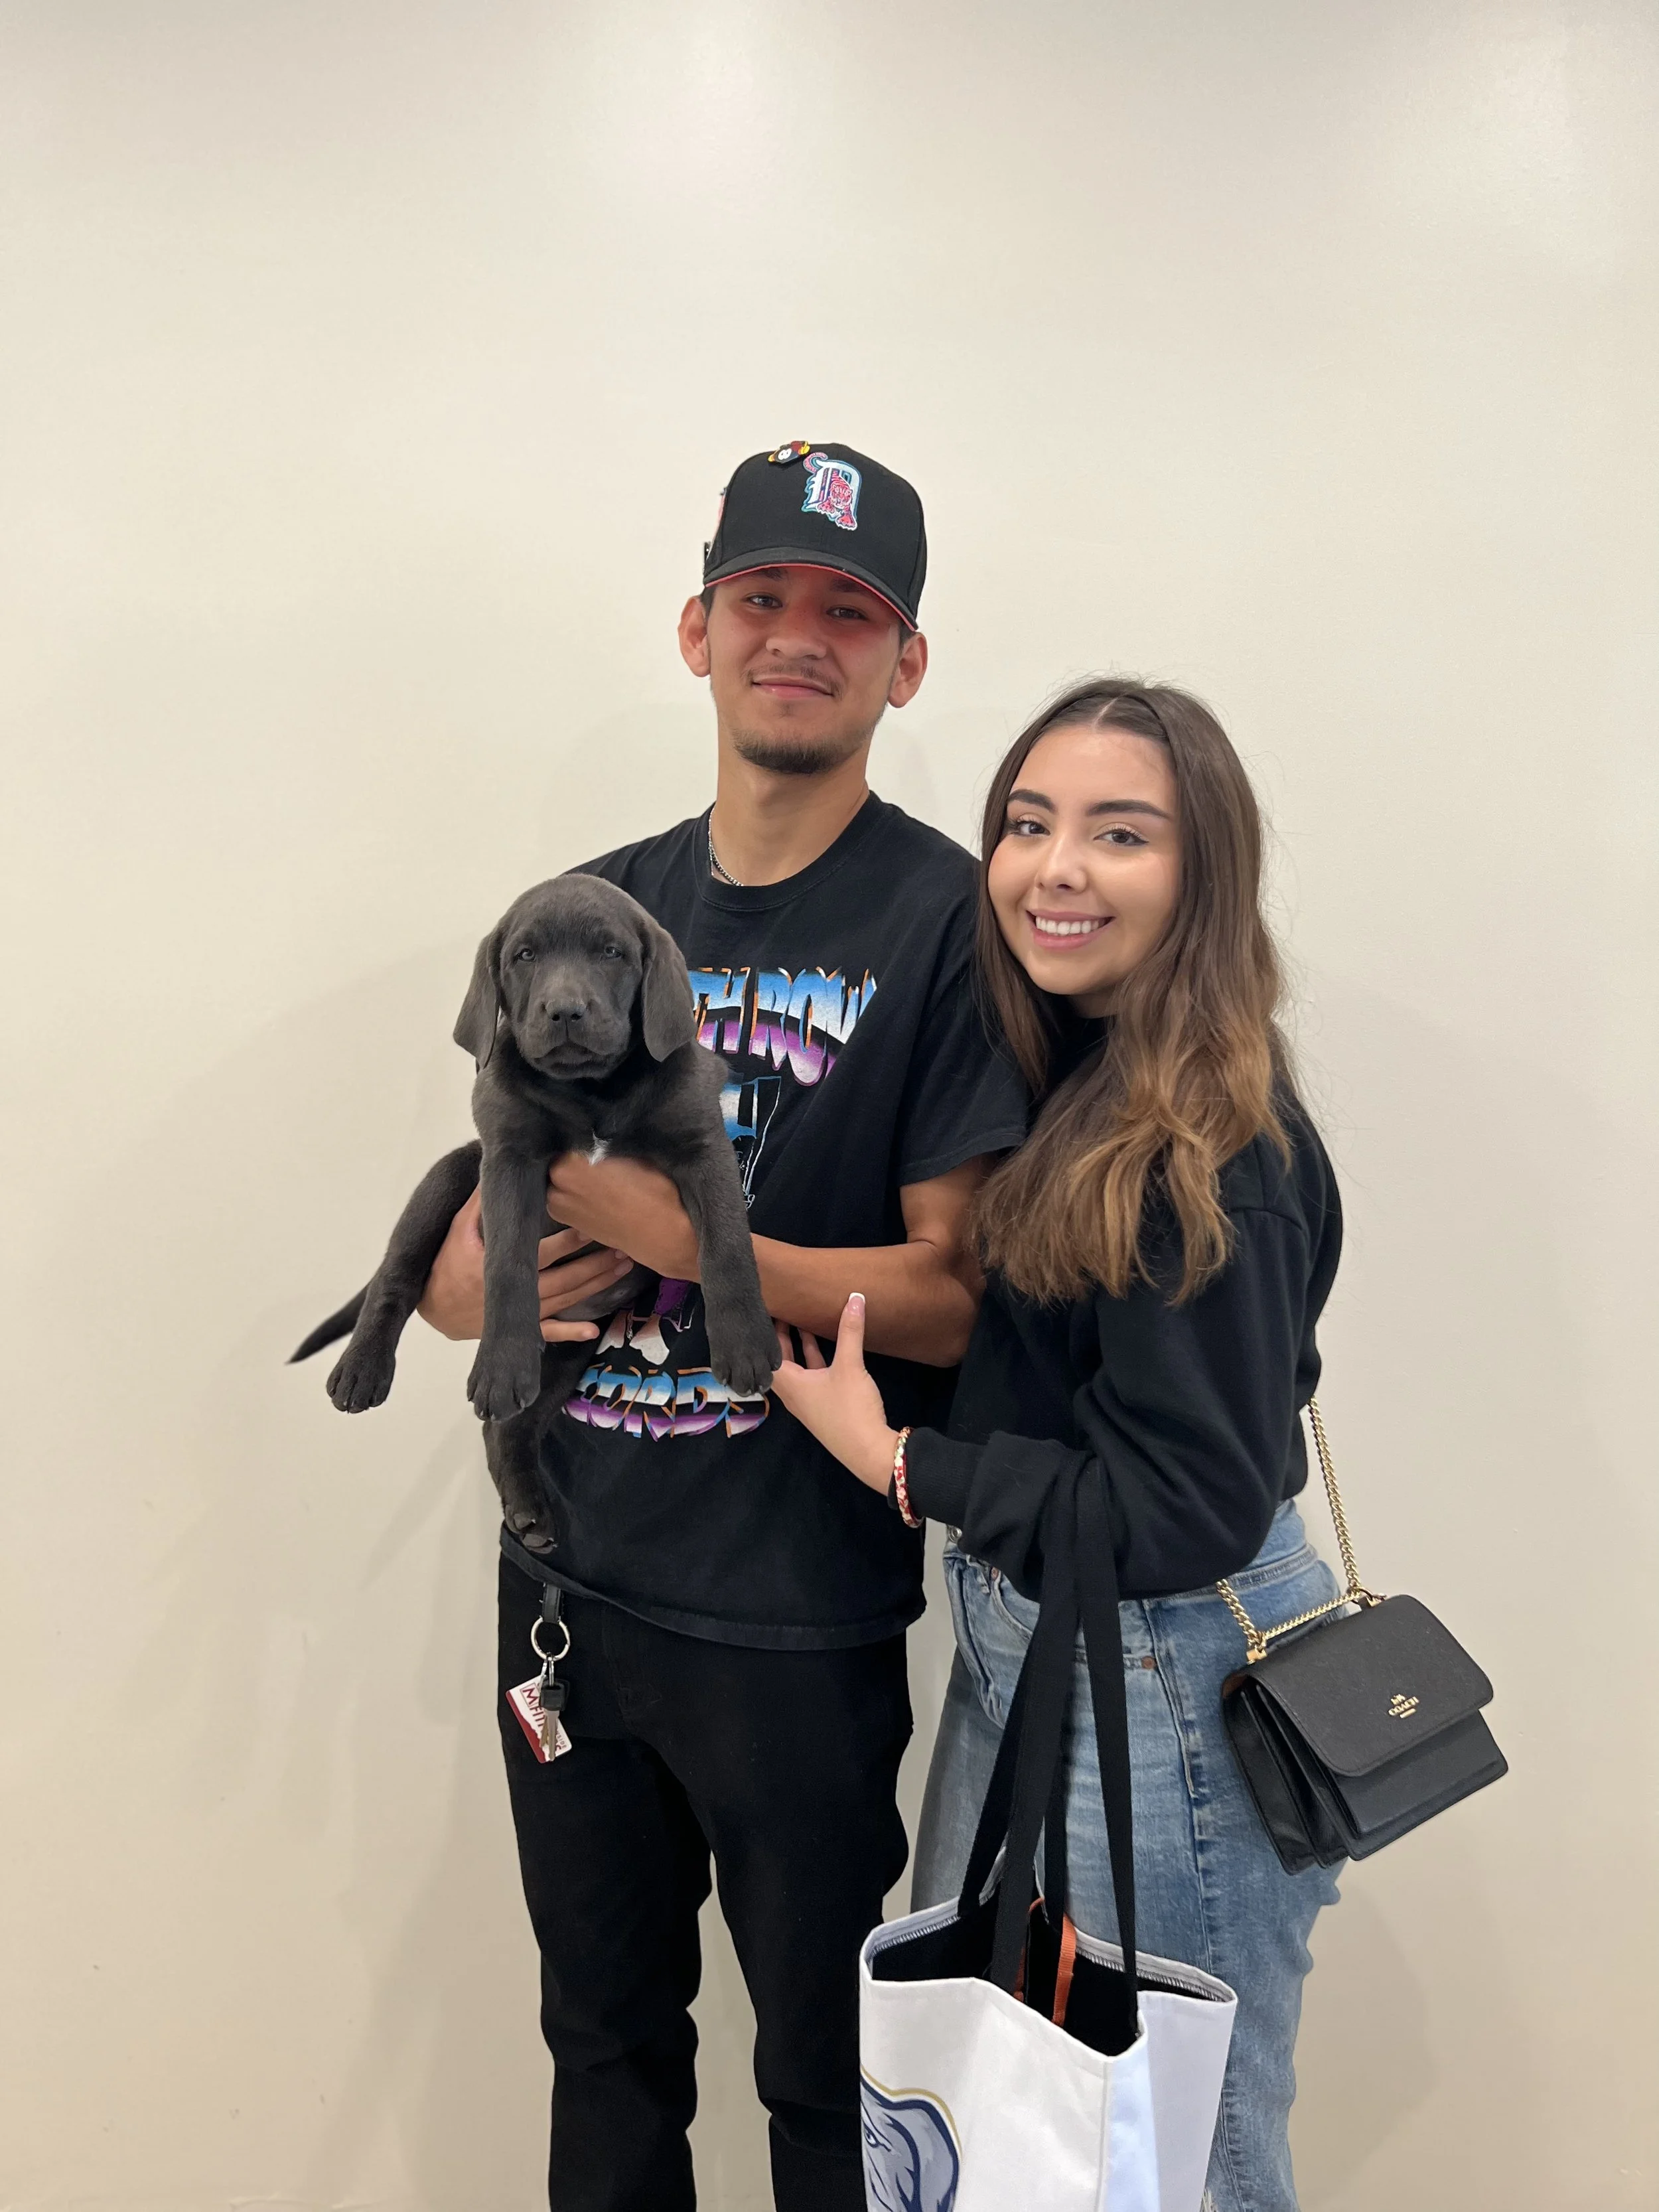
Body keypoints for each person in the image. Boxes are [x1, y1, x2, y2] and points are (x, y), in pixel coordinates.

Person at [416, 442, 1027, 2212]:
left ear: (901, 664)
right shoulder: (594, 905)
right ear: (698, 628)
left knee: (830, 2085)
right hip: (567, 1596)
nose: (797, 638)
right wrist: (481, 1282)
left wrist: (674, 1233)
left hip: (795, 1615)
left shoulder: (947, 925)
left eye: (848, 611)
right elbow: (470, 1251)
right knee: (601, 2048)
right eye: (763, 598)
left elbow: (951, 1286)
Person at [772, 678, 1344, 2212]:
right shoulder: (1093, 1077)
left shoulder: (1211, 1148)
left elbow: (1186, 1506)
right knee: (1006, 2130)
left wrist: (895, 1458)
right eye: (1026, 825)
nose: (1055, 867)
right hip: (1052, 1647)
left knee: (1172, 2159)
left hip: (1156, 1674)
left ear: (1200, 875)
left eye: (1118, 833)